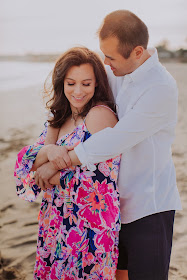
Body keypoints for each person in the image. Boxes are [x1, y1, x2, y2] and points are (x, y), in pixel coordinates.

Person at [40, 10, 182, 280]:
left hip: (147, 207)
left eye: (111, 57)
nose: (104, 62)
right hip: (111, 206)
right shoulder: (115, 70)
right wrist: (50, 144)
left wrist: (58, 163)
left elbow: (116, 139)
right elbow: (76, 100)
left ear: (137, 52)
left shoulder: (161, 88)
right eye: (103, 54)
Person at [14, 47, 122, 279]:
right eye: (71, 83)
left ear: (96, 84)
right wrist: (51, 150)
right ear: (62, 84)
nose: (78, 91)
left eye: (86, 83)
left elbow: (93, 179)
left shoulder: (100, 115)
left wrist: (49, 165)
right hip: (55, 222)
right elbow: (27, 165)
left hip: (90, 226)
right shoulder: (57, 120)